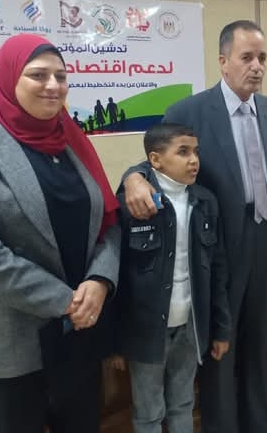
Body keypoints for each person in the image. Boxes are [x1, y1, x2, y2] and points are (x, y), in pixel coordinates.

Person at [0, 34, 120, 433]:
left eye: (60, 76)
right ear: (8, 79)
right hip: (7, 345)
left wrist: (101, 279)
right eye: (38, 75)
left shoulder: (71, 144)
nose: (53, 85)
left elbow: (106, 222)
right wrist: (63, 300)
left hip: (78, 338)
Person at [121, 20, 267, 433]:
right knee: (220, 347)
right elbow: (155, 160)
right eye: (246, 57)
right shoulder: (190, 111)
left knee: (261, 341)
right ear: (223, 61)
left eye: (262, 58)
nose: (257, 66)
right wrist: (132, 177)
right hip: (218, 247)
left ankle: (260, 422)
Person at [112, 123, 231, 433]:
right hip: (146, 331)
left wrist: (221, 328)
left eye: (196, 152)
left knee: (183, 404)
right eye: (183, 152)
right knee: (149, 412)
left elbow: (217, 270)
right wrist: (115, 342)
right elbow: (118, 275)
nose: (194, 160)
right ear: (155, 159)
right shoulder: (133, 204)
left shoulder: (205, 202)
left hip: (190, 327)